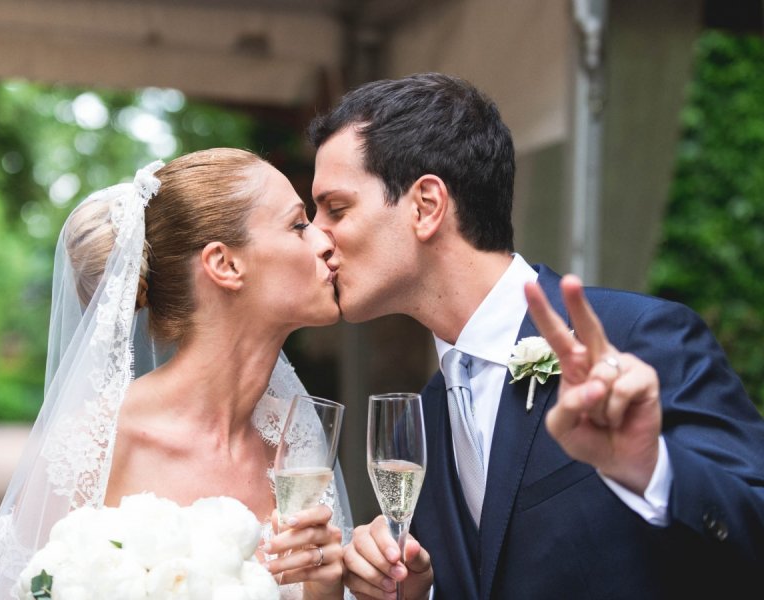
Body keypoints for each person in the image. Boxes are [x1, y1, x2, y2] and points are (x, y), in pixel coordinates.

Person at [308, 72, 764, 599]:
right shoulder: (425, 416)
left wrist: (653, 469)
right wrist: (417, 591)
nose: (317, 236)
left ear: (426, 205)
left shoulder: (637, 338)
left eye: (336, 209)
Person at [0, 148, 352, 599]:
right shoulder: (93, 445)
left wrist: (326, 587)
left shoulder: (296, 443)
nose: (326, 241)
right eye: (298, 225)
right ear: (225, 264)